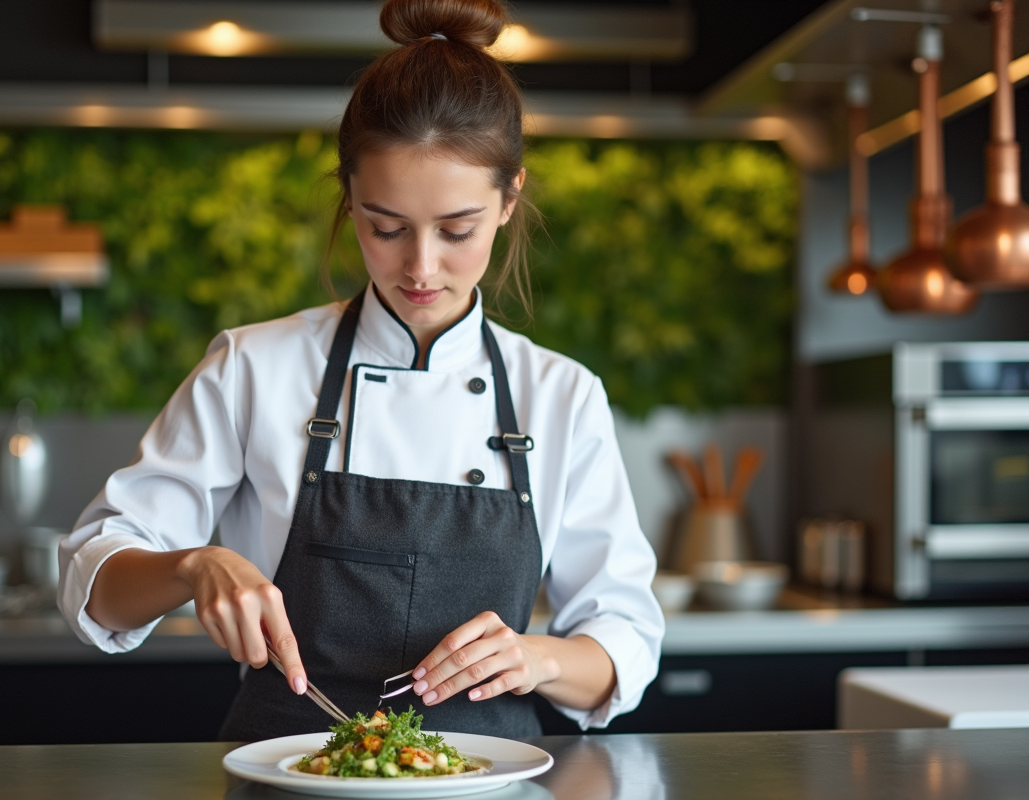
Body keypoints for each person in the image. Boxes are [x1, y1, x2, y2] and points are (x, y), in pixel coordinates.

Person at [59, 0, 664, 741]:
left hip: (489, 782)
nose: (420, 266)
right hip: (287, 775)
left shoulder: (562, 396)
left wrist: (536, 658)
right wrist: (191, 566)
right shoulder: (254, 368)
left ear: (510, 200)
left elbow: (625, 639)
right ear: (348, 197)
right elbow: (94, 584)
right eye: (385, 226)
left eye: (457, 230)